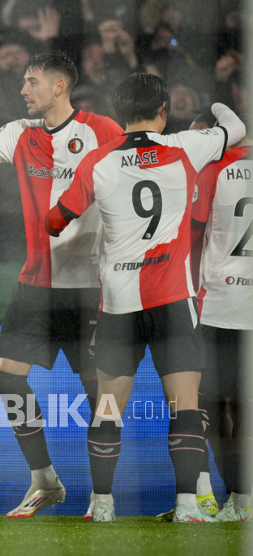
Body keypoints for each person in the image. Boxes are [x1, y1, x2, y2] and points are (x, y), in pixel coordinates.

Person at [0, 39, 123, 518]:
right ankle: (45, 481)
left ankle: (103, 498)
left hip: (90, 289)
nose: (23, 89)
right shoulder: (20, 133)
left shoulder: (103, 131)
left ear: (59, 86)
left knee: (102, 395)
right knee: (6, 378)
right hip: (34, 284)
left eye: (31, 81)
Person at [45, 73, 246, 522]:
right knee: (185, 404)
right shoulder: (185, 147)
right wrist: (211, 107)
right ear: (164, 111)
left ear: (118, 114)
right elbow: (233, 125)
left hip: (119, 304)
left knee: (109, 406)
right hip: (173, 301)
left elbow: (54, 221)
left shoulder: (98, 160)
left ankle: (101, 506)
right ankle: (189, 507)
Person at [188, 107, 252, 522]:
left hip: (219, 304)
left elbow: (192, 237)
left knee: (212, 404)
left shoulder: (214, 169)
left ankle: (238, 497)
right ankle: (239, 499)